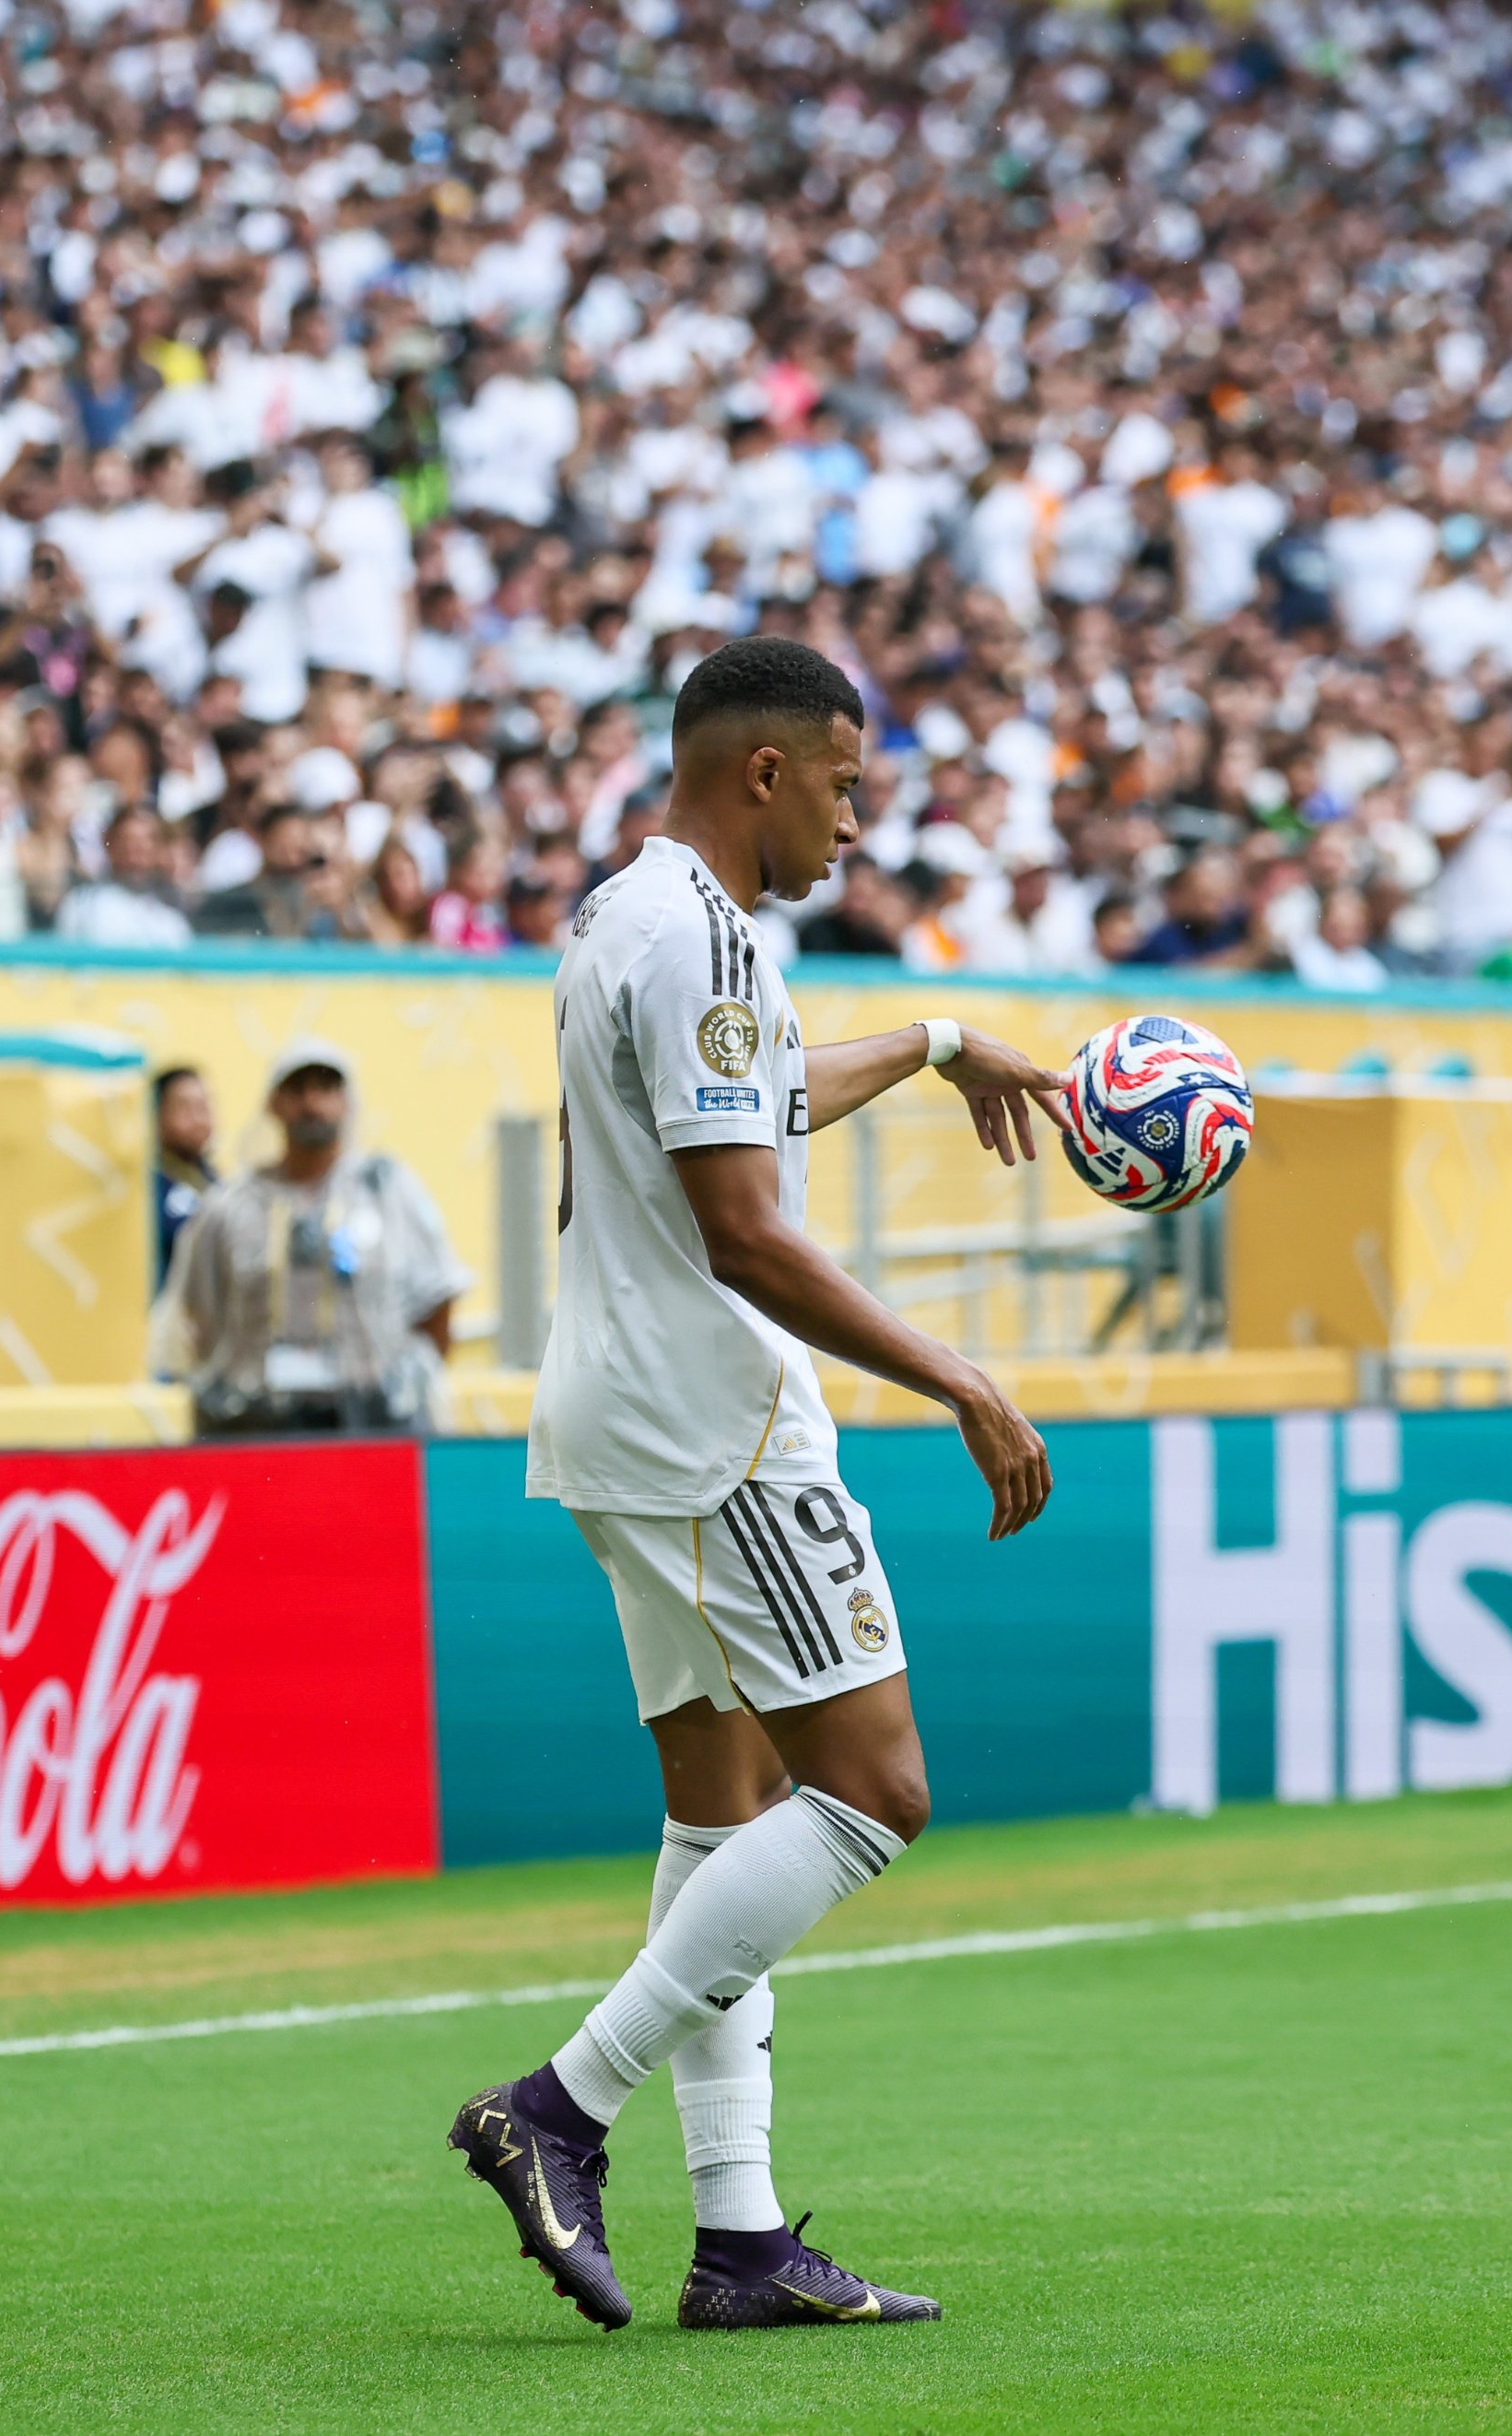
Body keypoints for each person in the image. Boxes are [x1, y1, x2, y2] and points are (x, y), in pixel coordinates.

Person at [450, 635, 1065, 2332]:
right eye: (849, 787)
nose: (858, 827)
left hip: (614, 1409)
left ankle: (738, 2238)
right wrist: (956, 1370)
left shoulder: (620, 915)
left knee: (719, 1814)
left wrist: (937, 1037)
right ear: (765, 773)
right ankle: (557, 2108)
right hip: (715, 1425)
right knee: (873, 1789)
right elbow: (744, 1225)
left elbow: (759, 1101)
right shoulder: (710, 935)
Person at [169, 1040, 466, 1434]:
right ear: (273, 1104)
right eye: (296, 1091)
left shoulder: (386, 1189)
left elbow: (437, 1301)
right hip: (258, 1419)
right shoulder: (232, 1205)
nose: (311, 1103)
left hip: (372, 1417)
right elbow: (198, 1316)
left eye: (325, 1088)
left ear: (346, 1100)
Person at [150, 1063, 216, 1289]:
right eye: (185, 1107)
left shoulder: (217, 1184)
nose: (198, 1118)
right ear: (157, 1114)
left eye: (204, 1106)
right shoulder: (147, 1188)